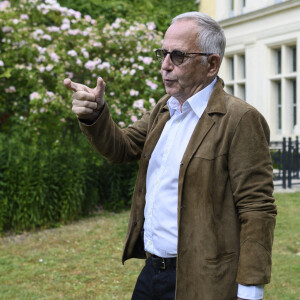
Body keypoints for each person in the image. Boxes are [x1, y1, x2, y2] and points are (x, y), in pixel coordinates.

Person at [64, 12, 276, 300]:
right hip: (153, 273)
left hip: (204, 280)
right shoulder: (166, 108)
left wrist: (249, 291)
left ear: (211, 64)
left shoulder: (240, 119)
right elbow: (122, 147)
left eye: (178, 56)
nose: (164, 66)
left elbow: (257, 208)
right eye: (163, 54)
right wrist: (96, 114)